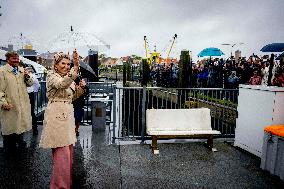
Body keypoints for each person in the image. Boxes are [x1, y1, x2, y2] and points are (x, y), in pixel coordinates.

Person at [39, 50, 86, 189]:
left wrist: (81, 88)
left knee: (68, 153)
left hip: (67, 117)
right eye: (63, 64)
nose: (66, 66)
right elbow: (61, 85)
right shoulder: (52, 76)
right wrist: (75, 66)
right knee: (62, 155)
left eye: (68, 63)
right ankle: (60, 186)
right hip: (57, 117)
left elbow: (72, 96)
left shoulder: (67, 77)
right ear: (56, 65)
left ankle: (64, 183)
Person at [0, 51, 33, 152]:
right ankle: (9, 152)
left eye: (17, 58)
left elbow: (30, 84)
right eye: (13, 58)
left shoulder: (22, 70)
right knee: (10, 128)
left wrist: (27, 77)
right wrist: (3, 102)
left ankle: (20, 146)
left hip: (22, 103)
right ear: (8, 59)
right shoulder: (2, 71)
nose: (16, 60)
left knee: (20, 126)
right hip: (10, 104)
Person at [25, 66, 40, 135]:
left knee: (30, 112)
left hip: (28, 94)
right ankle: (35, 129)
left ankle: (33, 128)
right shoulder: (32, 76)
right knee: (32, 112)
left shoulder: (30, 76)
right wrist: (35, 91)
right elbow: (37, 85)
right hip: (31, 94)